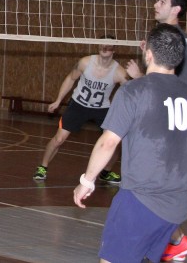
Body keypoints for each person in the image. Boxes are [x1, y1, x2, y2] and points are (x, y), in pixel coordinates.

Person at [73, 23, 187, 263]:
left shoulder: (134, 91)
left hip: (142, 198)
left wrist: (86, 181)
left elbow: (108, 143)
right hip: (177, 204)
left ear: (148, 54)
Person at [126, 0, 187, 262]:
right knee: (157, 185)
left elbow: (168, 82)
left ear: (176, 9)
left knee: (150, 184)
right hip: (176, 113)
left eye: (162, 1)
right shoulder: (176, 37)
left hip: (172, 116)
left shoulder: (173, 37)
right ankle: (172, 240)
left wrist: (139, 76)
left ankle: (175, 239)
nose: (156, 4)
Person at [32, 39, 128, 183]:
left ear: (114, 50)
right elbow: (71, 79)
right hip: (78, 104)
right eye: (102, 44)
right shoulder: (85, 63)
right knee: (59, 139)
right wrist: (58, 100)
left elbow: (131, 90)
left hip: (101, 109)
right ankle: (42, 167)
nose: (104, 47)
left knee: (115, 142)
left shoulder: (119, 72)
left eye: (108, 46)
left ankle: (106, 172)